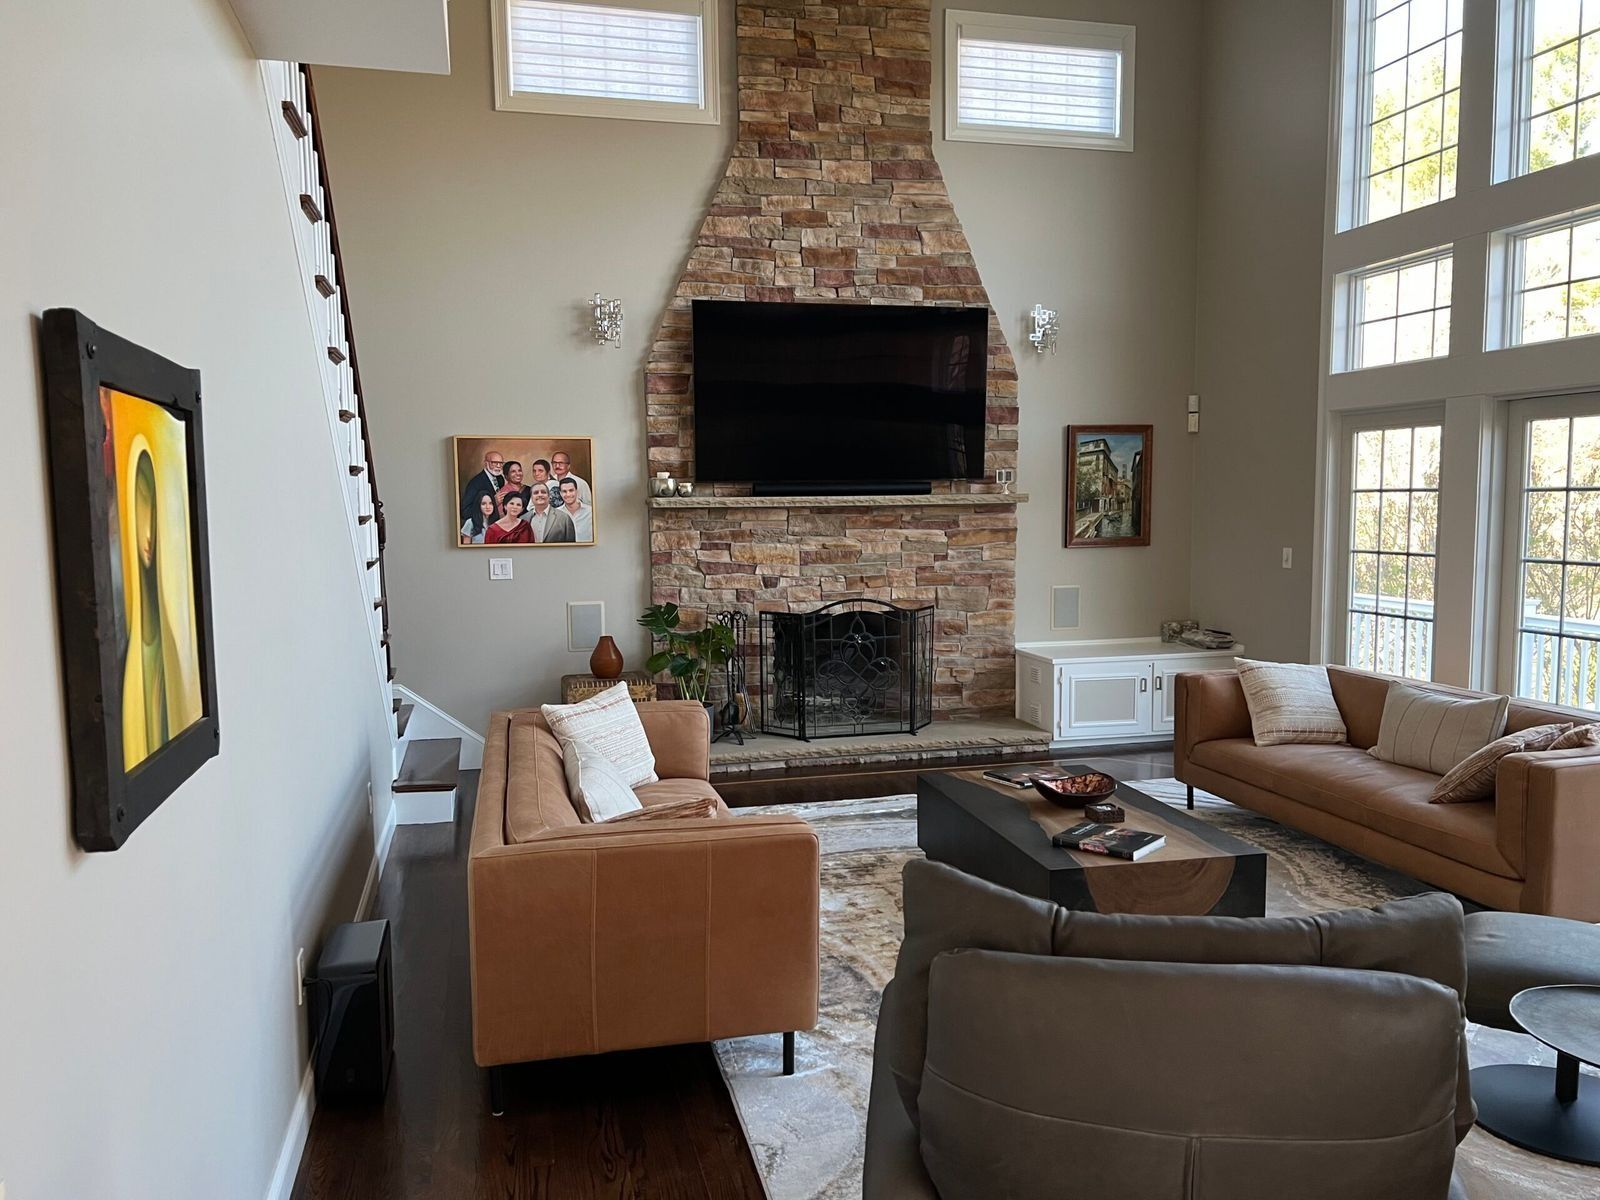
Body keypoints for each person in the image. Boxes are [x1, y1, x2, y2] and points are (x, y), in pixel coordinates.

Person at [460, 449, 505, 520]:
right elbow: (465, 512)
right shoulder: (475, 482)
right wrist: (493, 502)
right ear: (486, 463)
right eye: (494, 463)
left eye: (501, 463)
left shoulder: (500, 478)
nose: (499, 466)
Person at [558, 478, 594, 542]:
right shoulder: (556, 514)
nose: (568, 494)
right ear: (560, 493)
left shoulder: (590, 512)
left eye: (571, 490)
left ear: (577, 491)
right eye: (564, 491)